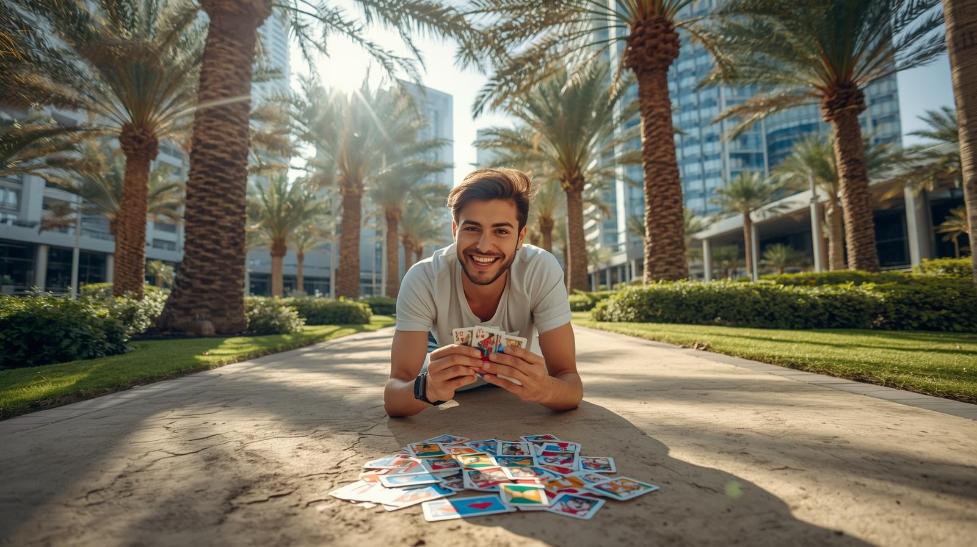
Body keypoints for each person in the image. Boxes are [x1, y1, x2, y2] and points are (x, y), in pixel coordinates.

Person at [384, 168, 582, 417]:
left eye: (501, 231)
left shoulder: (540, 269)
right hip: (439, 352)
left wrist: (545, 389)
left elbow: (571, 383)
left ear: (520, 237)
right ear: (455, 231)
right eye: (472, 229)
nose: (484, 246)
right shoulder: (423, 277)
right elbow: (394, 394)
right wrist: (429, 389)